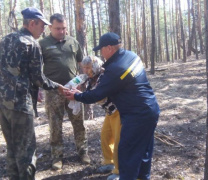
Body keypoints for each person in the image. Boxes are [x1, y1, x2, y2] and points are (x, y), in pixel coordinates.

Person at [63, 32, 160, 180]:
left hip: (136, 115)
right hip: (151, 109)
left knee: (127, 154)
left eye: (101, 49)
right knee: (144, 151)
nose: (101, 53)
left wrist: (76, 96)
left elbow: (97, 95)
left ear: (109, 48)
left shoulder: (116, 68)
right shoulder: (130, 56)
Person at [0, 7, 66, 180]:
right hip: (21, 105)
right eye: (41, 25)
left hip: (4, 105)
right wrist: (58, 86)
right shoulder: (30, 43)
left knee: (12, 149)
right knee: (27, 152)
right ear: (31, 23)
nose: (43, 29)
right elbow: (39, 78)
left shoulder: (5, 40)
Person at [39, 13, 90, 170]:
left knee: (78, 122)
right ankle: (57, 156)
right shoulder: (43, 44)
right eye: (58, 28)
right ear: (50, 27)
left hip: (73, 89)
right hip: (53, 91)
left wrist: (84, 82)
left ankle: (83, 151)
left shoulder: (73, 42)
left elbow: (82, 63)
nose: (62, 31)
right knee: (55, 125)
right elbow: (36, 69)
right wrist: (38, 88)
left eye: (64, 28)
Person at [81, 56, 121, 180]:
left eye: (88, 67)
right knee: (105, 136)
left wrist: (79, 96)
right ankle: (109, 162)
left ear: (95, 66)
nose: (86, 70)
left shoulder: (104, 77)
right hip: (109, 112)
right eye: (84, 68)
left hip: (119, 111)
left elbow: (98, 96)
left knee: (119, 141)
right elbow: (90, 94)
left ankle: (120, 171)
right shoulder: (91, 79)